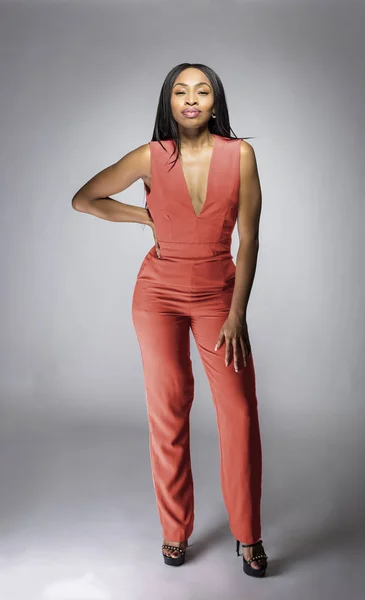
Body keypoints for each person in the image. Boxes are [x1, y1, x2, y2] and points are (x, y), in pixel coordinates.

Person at [71, 62, 268, 577]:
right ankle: (174, 530)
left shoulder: (240, 155)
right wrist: (145, 216)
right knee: (169, 407)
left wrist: (237, 313)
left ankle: (249, 535)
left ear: (215, 101)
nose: (191, 99)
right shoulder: (149, 156)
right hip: (156, 295)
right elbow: (84, 198)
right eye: (181, 91)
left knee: (240, 414)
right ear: (169, 101)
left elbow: (248, 241)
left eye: (202, 91)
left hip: (217, 297)